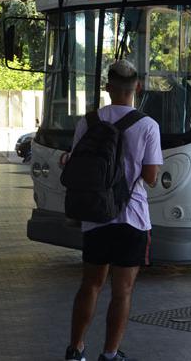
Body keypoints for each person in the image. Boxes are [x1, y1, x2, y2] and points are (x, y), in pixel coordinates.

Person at [64, 60, 163, 361]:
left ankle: (76, 349)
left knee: (90, 285)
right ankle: (109, 354)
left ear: (107, 87)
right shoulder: (147, 125)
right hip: (131, 219)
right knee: (122, 291)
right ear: (138, 87)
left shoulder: (89, 122)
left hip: (95, 217)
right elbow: (151, 177)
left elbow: (76, 164)